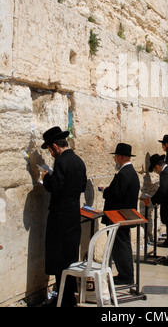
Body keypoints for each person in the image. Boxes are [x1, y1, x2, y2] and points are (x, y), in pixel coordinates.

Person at [41, 126, 87, 307]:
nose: (51, 154)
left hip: (60, 216)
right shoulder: (78, 161)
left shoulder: (60, 162)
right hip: (73, 214)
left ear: (54, 146)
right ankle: (67, 298)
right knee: (69, 258)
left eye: (50, 150)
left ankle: (63, 300)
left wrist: (46, 177)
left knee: (59, 260)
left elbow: (55, 187)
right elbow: (82, 186)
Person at [99, 143, 140, 285]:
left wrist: (105, 191)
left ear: (120, 157)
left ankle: (126, 276)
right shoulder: (131, 172)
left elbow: (116, 194)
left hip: (118, 217)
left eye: (116, 157)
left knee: (121, 247)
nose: (115, 159)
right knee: (122, 246)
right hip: (124, 216)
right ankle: (125, 274)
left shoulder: (124, 173)